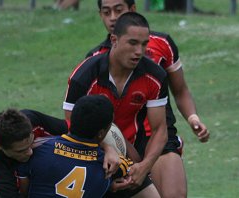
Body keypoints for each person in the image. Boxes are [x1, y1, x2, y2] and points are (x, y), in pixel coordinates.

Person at [86, 0, 210, 197]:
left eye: (118, 10)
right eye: (106, 12)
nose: (112, 18)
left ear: (132, 9)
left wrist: (193, 118)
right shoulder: (95, 60)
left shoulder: (162, 44)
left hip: (160, 136)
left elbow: (180, 89)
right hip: (121, 144)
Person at [63, 12, 168, 197]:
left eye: (144, 44)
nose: (139, 51)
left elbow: (160, 129)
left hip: (131, 158)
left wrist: (144, 166)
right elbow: (71, 123)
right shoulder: (85, 75)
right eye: (133, 43)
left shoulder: (155, 76)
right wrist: (107, 148)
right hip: (88, 153)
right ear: (114, 39)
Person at [0, 108, 119, 197]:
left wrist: (108, 148)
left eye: (31, 144)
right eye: (21, 151)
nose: (30, 153)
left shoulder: (31, 120)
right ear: (0, 146)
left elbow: (80, 132)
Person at [17, 95, 133, 197]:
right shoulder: (110, 165)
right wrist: (109, 148)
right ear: (101, 133)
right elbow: (132, 171)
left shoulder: (38, 148)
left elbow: (24, 191)